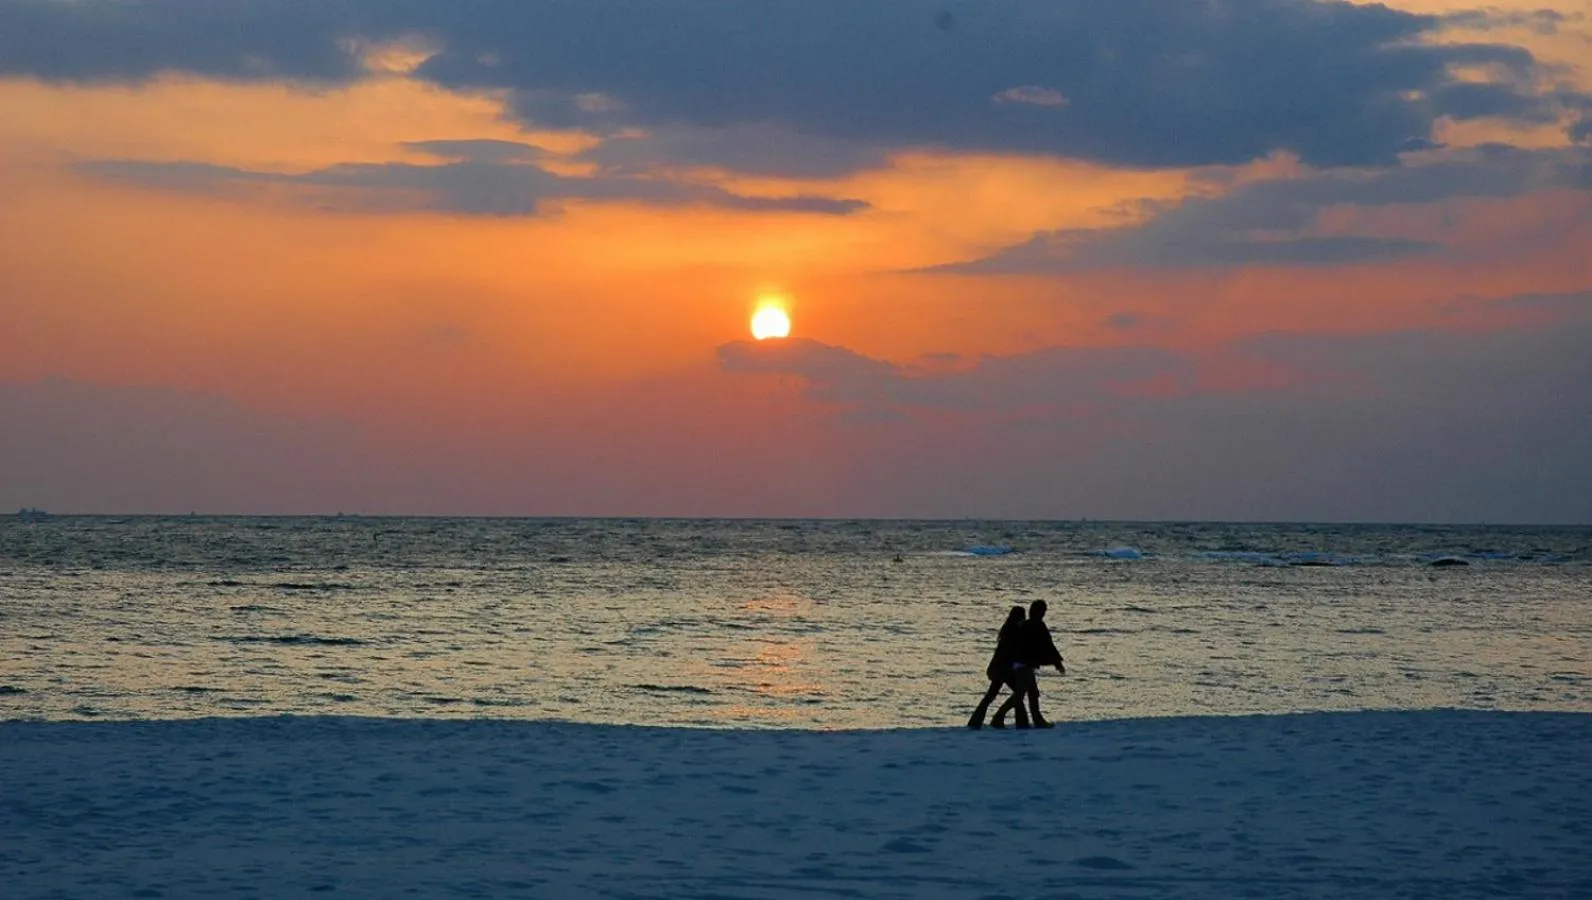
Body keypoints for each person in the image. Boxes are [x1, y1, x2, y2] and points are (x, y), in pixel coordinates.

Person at [992, 599, 1065, 728]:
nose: (1044, 614)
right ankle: (999, 716)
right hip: (1024, 666)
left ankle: (1037, 720)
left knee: (1032, 693)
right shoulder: (1038, 625)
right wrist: (1057, 663)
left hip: (1020, 664)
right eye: (1043, 611)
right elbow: (1048, 645)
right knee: (1021, 695)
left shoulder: (1024, 625)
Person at [967, 606, 1031, 729]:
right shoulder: (1014, 632)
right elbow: (1012, 653)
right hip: (1002, 669)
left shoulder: (1008, 630)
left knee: (991, 695)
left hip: (997, 668)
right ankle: (1014, 721)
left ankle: (976, 722)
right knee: (1019, 693)